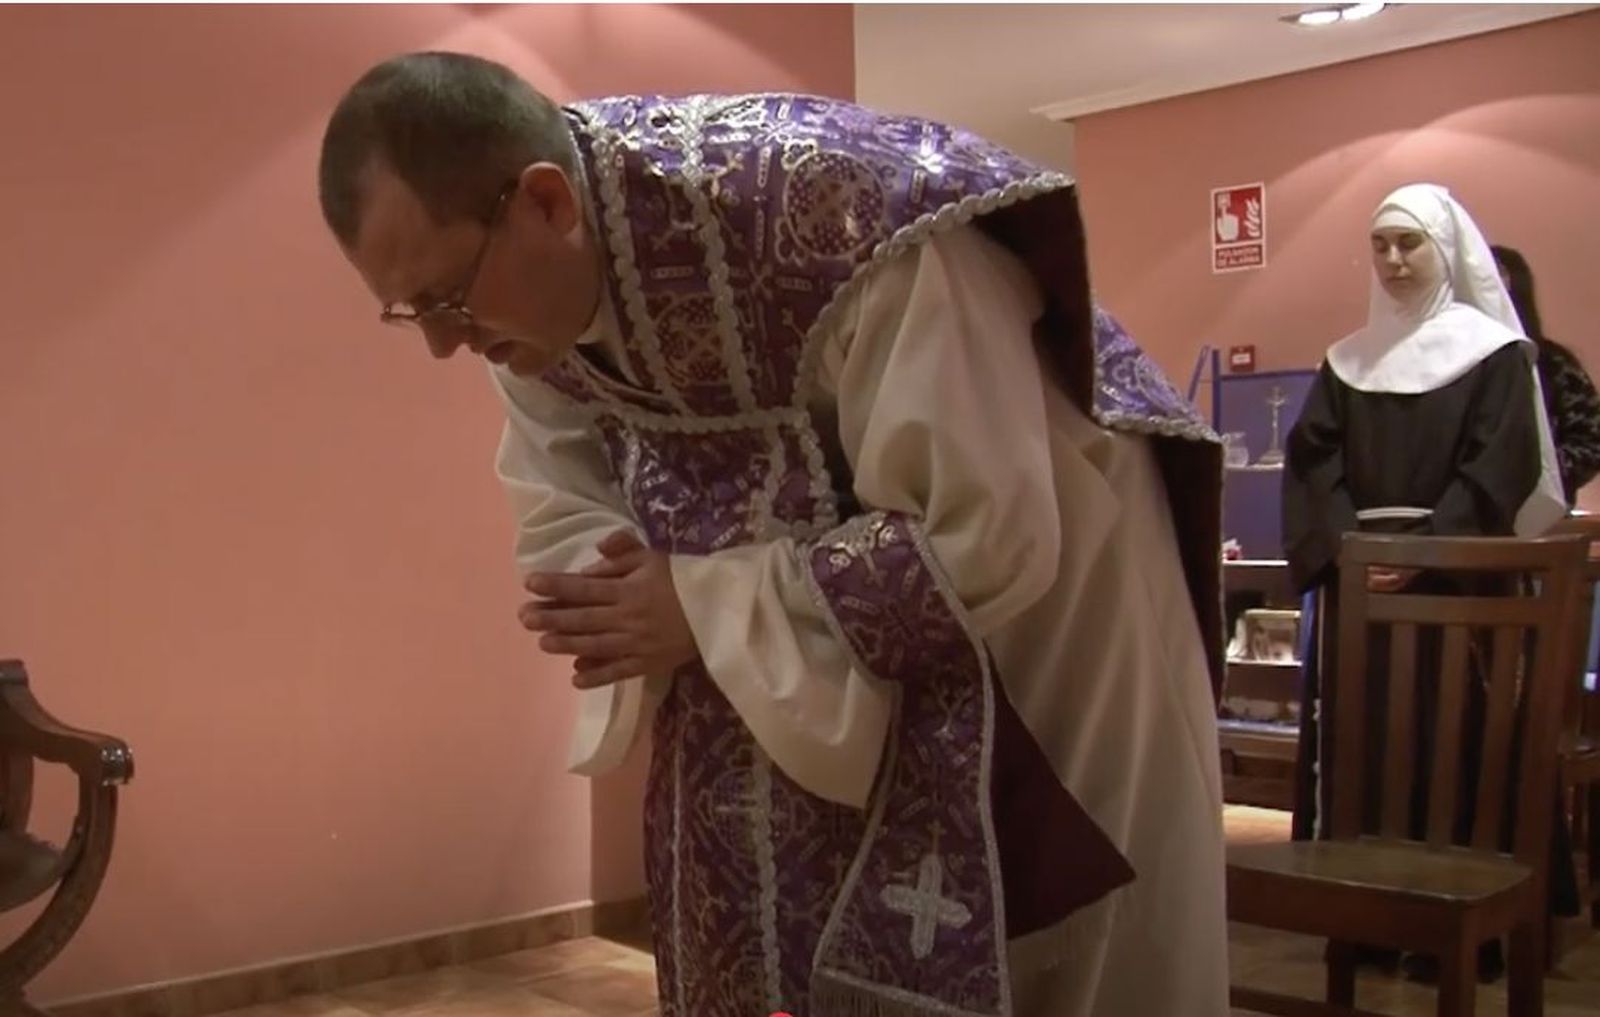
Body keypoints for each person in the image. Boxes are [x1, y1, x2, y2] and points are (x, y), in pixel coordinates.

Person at [318, 51, 1230, 1017]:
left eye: (448, 299)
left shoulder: (842, 216)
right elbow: (566, 497)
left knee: (1066, 958)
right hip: (821, 655)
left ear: (546, 204)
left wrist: (702, 604)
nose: (442, 343)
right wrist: (634, 600)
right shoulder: (526, 310)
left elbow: (987, 528)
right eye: (409, 311)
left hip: (1052, 599)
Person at [1282, 182, 1566, 980]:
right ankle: (1367, 919)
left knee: (1458, 752)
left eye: (1410, 243)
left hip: (1459, 592)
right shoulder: (1347, 361)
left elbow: (1497, 467)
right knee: (1365, 748)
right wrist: (1351, 551)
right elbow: (1313, 466)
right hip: (1360, 587)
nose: (1395, 259)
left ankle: (1464, 936)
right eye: (1381, 245)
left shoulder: (1494, 354)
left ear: (1448, 252)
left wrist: (1428, 549)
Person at [1492, 243, 1600, 506]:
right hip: (1453, 522)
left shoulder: (1554, 364)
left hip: (1541, 516)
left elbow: (1592, 441)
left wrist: (1541, 475)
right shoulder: (1444, 363)